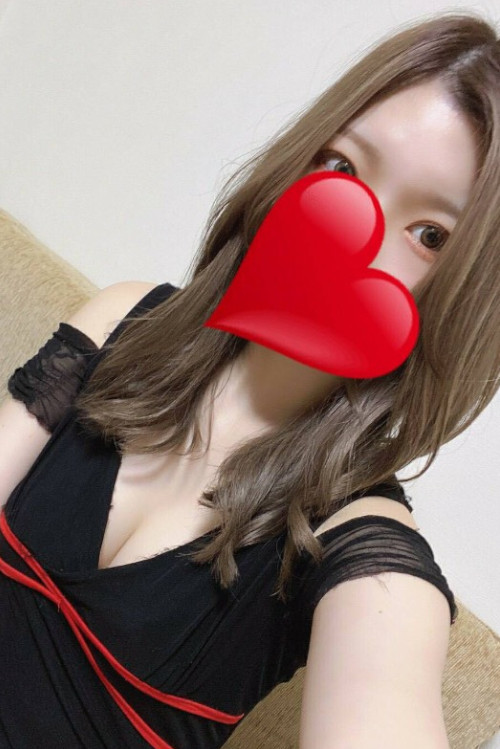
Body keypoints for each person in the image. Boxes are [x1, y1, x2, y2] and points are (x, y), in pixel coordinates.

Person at [1, 11, 499, 749]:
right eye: (341, 170)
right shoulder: (122, 320)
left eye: (430, 236)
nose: (354, 239)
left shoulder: (369, 561)